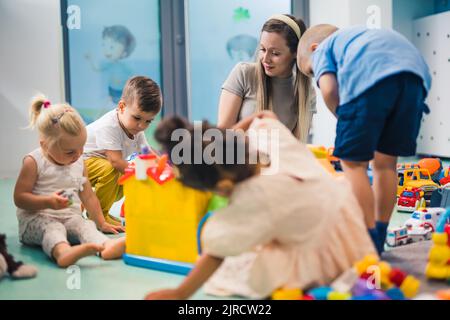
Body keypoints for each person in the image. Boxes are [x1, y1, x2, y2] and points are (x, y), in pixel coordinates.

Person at [145, 112, 375, 299]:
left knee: (235, 272)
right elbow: (264, 115)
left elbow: (217, 252)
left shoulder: (254, 197)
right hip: (350, 226)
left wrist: (180, 293)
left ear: (224, 186)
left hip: (318, 245)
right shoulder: (266, 137)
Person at [297, 25, 431, 254]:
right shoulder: (359, 38)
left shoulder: (323, 49)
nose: (314, 75)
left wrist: (344, 117)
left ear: (313, 49)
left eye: (310, 72)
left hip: (370, 81)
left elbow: (329, 90)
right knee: (386, 164)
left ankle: (366, 237)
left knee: (352, 162)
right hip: (415, 82)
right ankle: (380, 231)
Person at [14, 96, 125, 268]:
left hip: (68, 217)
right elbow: (20, 198)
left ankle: (106, 246)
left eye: (82, 147)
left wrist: (101, 222)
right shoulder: (34, 161)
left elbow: (88, 196)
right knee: (52, 229)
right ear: (45, 146)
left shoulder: (78, 162)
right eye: (70, 151)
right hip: (37, 219)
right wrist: (47, 202)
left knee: (85, 225)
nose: (79, 154)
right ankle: (62, 252)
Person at [218, 14, 316, 142]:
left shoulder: (307, 93)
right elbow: (222, 136)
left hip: (278, 161)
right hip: (238, 160)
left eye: (275, 53)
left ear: (295, 53)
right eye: (262, 49)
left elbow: (294, 147)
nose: (265, 59)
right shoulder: (244, 74)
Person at [83, 76, 162, 225]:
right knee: (116, 170)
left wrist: (164, 169)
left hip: (101, 164)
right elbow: (115, 161)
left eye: (148, 121)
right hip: (79, 163)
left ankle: (99, 208)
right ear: (121, 107)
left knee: (126, 177)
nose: (141, 126)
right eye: (137, 118)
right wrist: (144, 173)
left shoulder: (136, 129)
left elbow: (147, 152)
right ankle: (98, 215)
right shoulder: (110, 126)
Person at [85, 25, 136, 104]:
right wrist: (90, 60)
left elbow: (133, 77)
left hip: (122, 92)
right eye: (104, 45)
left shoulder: (125, 67)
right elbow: (97, 68)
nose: (107, 50)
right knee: (108, 104)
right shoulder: (108, 64)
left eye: (112, 47)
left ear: (124, 52)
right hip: (111, 90)